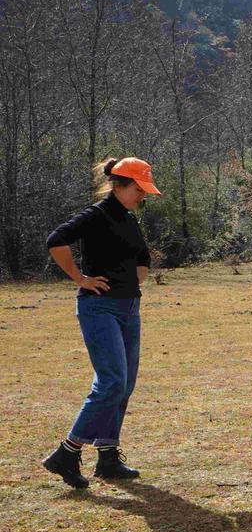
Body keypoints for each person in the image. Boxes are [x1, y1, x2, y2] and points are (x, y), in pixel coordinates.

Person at [42, 157, 160, 489]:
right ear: (121, 185)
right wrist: (80, 278)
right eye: (139, 189)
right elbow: (56, 240)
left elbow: (142, 256)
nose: (143, 195)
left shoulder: (129, 218)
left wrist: (135, 280)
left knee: (124, 385)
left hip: (129, 308)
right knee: (111, 382)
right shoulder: (96, 214)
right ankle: (67, 452)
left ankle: (108, 457)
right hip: (99, 308)